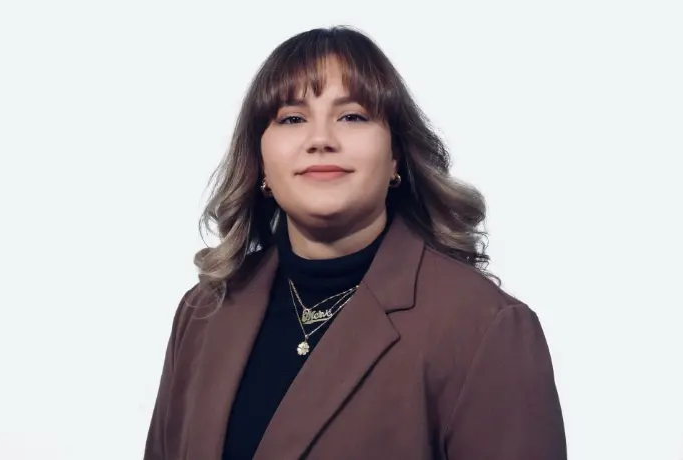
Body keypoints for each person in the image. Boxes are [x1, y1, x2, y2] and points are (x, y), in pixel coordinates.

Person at [143, 26, 566, 460]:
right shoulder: (203, 312)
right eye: (292, 118)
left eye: (353, 116)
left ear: (395, 156)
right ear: (261, 162)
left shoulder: (484, 328)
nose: (320, 140)